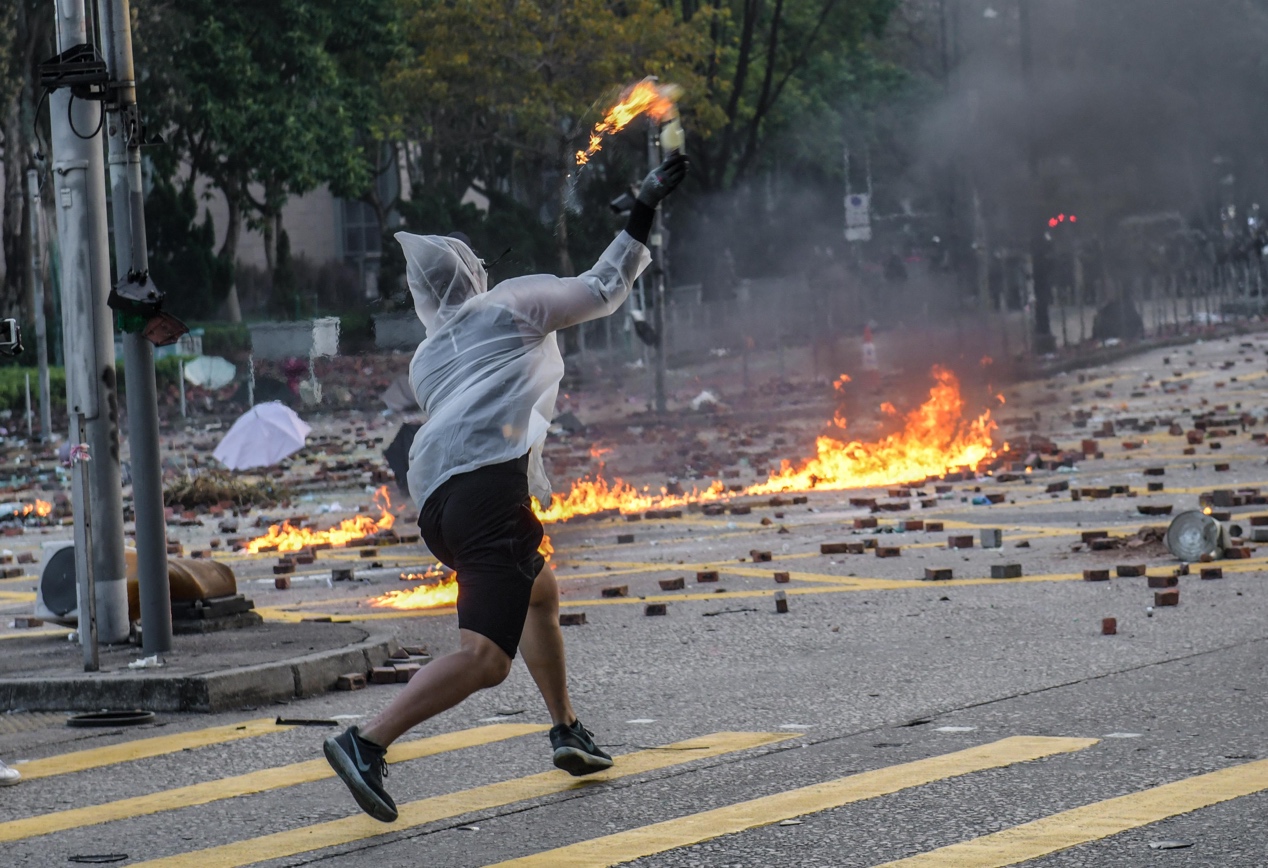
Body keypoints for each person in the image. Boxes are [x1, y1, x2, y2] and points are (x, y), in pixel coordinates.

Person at [324, 153, 690, 823]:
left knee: (538, 591)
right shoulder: (512, 305)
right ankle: (366, 742)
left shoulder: (428, 356)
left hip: (438, 505)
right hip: (488, 494)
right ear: (474, 275)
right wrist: (644, 207)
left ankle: (566, 729)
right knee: (486, 659)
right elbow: (605, 286)